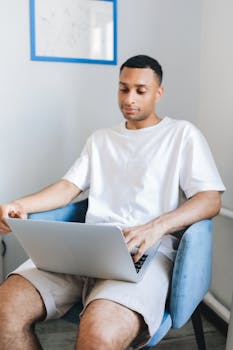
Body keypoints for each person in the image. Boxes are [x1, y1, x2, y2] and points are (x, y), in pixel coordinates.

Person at [0, 55, 225, 350]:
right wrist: (21, 205)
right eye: (123, 88)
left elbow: (210, 199)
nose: (129, 98)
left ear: (159, 93)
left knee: (99, 337)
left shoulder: (181, 135)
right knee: (5, 312)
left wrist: (154, 228)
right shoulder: (101, 139)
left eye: (140, 91)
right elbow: (69, 188)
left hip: (144, 253)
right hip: (85, 250)